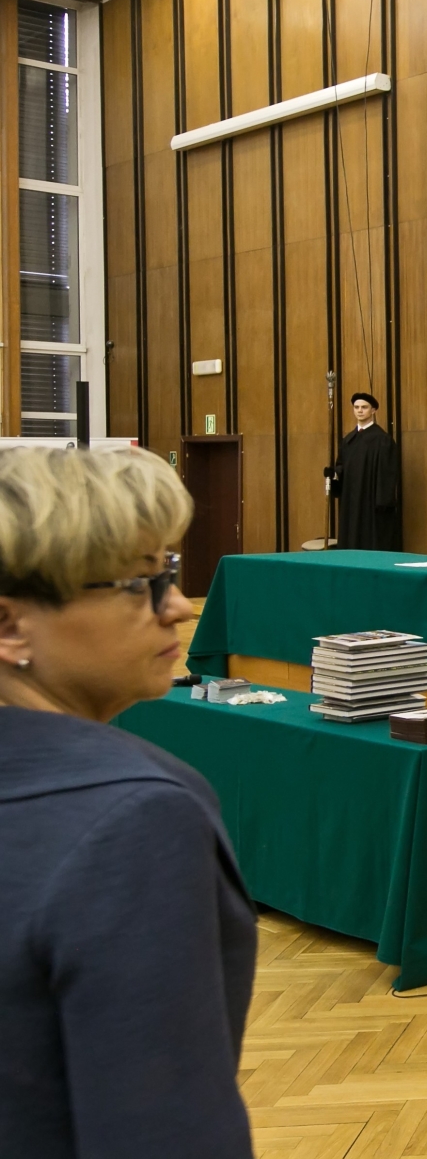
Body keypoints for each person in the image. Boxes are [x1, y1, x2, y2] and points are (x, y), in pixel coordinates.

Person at [0, 447, 255, 1158]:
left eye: (169, 571)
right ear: (10, 626)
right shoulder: (136, 817)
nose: (177, 605)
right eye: (143, 582)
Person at [334, 391, 400, 550]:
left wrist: (382, 502)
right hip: (351, 500)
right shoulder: (348, 440)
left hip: (370, 502)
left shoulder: (382, 440)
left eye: (364, 407)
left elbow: (387, 473)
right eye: (356, 407)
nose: (360, 410)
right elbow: (341, 466)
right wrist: (334, 475)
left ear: (373, 410)